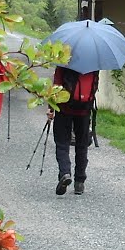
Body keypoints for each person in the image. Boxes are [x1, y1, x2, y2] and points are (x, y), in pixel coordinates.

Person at [48, 66, 98, 195]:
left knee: (62, 143)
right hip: (84, 110)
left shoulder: (65, 63)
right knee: (82, 145)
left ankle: (65, 173)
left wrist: (51, 108)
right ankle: (79, 182)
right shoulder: (94, 64)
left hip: (64, 108)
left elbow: (56, 86)